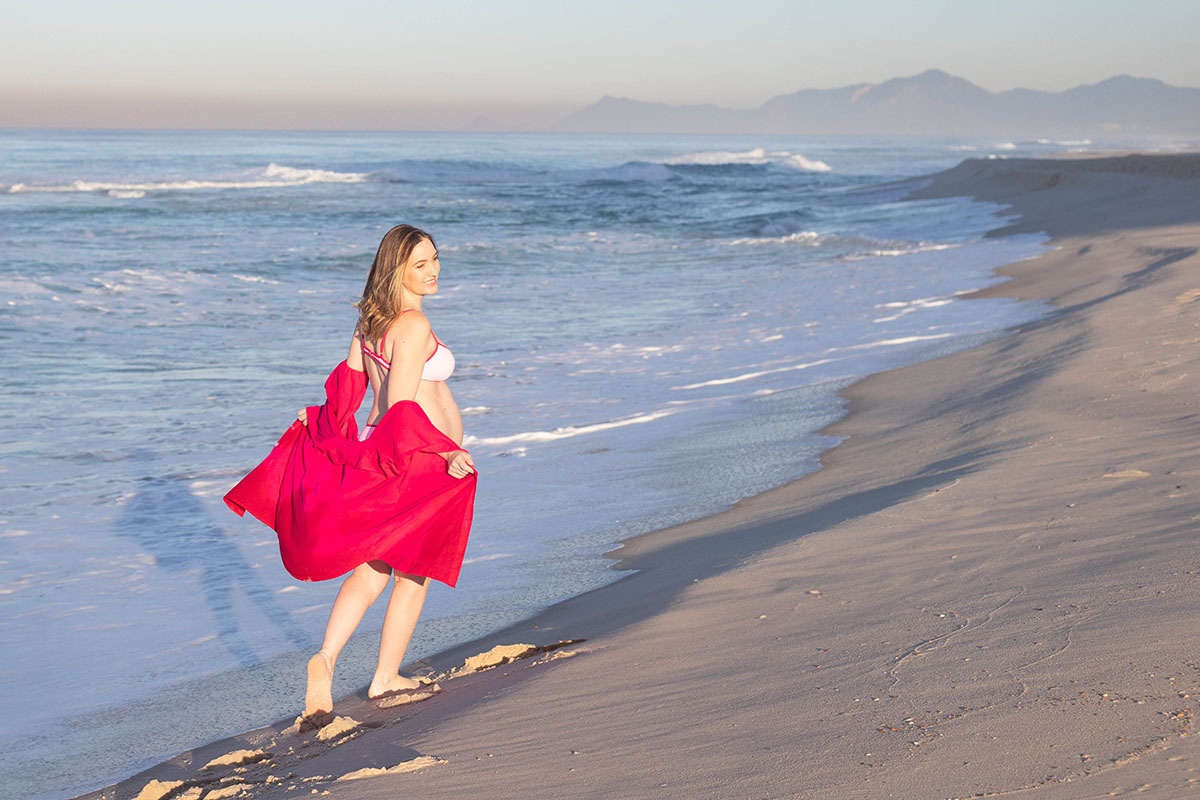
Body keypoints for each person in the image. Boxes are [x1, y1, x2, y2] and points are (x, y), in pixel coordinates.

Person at [225, 224, 477, 720]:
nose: (433, 270)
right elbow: (402, 404)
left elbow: (350, 386)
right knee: (413, 573)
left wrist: (322, 421)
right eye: (420, 264)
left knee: (372, 568)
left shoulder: (370, 322)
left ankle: (325, 657)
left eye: (434, 258)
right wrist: (444, 452)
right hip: (416, 457)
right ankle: (385, 677)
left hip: (382, 446)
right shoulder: (413, 325)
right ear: (397, 270)